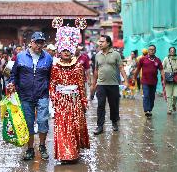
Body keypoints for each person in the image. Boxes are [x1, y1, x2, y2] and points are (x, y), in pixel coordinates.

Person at [9, 32, 53, 160]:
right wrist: (12, 84)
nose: (39, 45)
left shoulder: (48, 58)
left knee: (42, 121)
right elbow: (14, 75)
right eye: (37, 42)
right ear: (31, 42)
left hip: (42, 94)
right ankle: (30, 149)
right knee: (28, 123)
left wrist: (51, 91)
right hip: (25, 95)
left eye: (41, 42)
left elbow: (51, 77)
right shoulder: (21, 56)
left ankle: (42, 146)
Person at [49, 26, 89, 162]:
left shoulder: (78, 66)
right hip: (61, 100)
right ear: (59, 52)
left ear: (72, 51)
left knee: (74, 125)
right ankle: (64, 154)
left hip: (74, 100)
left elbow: (81, 85)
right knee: (62, 126)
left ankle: (73, 152)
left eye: (68, 50)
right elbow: (52, 84)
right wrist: (53, 98)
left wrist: (84, 101)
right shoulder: (55, 67)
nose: (66, 53)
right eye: (63, 50)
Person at [91, 35, 128, 135]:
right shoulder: (97, 55)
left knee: (114, 105)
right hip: (101, 84)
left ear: (108, 43)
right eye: (99, 41)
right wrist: (93, 84)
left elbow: (121, 68)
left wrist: (125, 80)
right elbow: (96, 70)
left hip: (113, 84)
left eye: (102, 42)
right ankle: (100, 126)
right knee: (100, 105)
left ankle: (114, 122)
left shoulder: (116, 54)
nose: (100, 43)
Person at [133, 45, 165, 117]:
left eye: (153, 49)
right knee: (146, 95)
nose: (152, 51)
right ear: (148, 50)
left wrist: (164, 78)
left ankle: (149, 109)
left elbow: (161, 70)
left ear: (155, 51)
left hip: (153, 82)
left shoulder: (158, 60)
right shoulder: (143, 59)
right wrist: (134, 77)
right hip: (145, 81)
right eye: (150, 49)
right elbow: (138, 69)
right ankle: (147, 110)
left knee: (152, 96)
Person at [162, 47, 177, 115]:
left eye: (173, 51)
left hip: (175, 79)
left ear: (175, 51)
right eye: (171, 51)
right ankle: (169, 109)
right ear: (169, 52)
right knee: (169, 95)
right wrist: (166, 73)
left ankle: (173, 104)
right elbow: (162, 67)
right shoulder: (166, 59)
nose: (172, 52)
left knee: (176, 95)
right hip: (168, 79)